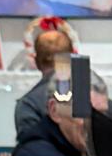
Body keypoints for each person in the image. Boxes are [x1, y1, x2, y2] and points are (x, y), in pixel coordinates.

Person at [15, 20, 74, 148]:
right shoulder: (96, 95)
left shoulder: (28, 105)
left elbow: (31, 154)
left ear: (36, 61)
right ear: (72, 57)